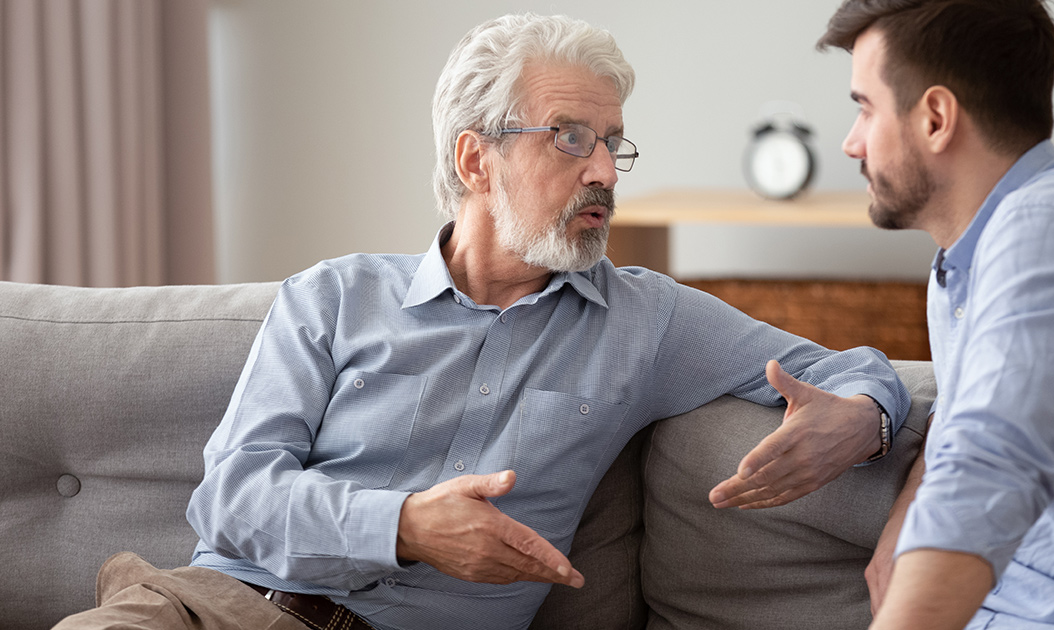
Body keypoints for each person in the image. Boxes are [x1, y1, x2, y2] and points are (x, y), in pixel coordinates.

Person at [54, 13, 910, 630]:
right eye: (570, 138)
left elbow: (856, 369)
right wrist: (406, 527)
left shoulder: (646, 319)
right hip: (210, 609)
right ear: (476, 157)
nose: (606, 169)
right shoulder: (332, 297)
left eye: (614, 140)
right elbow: (231, 500)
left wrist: (864, 422)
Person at [816, 1, 1054, 629]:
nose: (851, 141)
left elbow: (987, 474)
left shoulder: (1048, 233)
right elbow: (974, 420)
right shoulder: (968, 256)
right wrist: (905, 519)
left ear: (936, 117)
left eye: (865, 107)